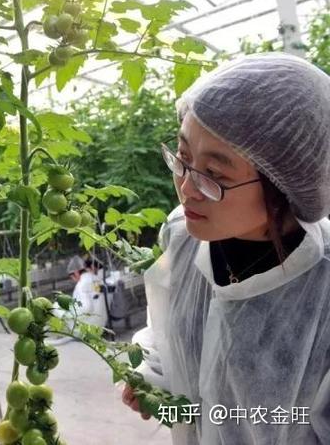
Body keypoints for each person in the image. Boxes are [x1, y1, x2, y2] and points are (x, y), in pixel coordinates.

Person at [121, 52, 330, 444]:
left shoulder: (321, 292)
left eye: (213, 174)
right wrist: (158, 394)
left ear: (284, 183)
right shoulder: (182, 237)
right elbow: (169, 336)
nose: (185, 188)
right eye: (182, 158)